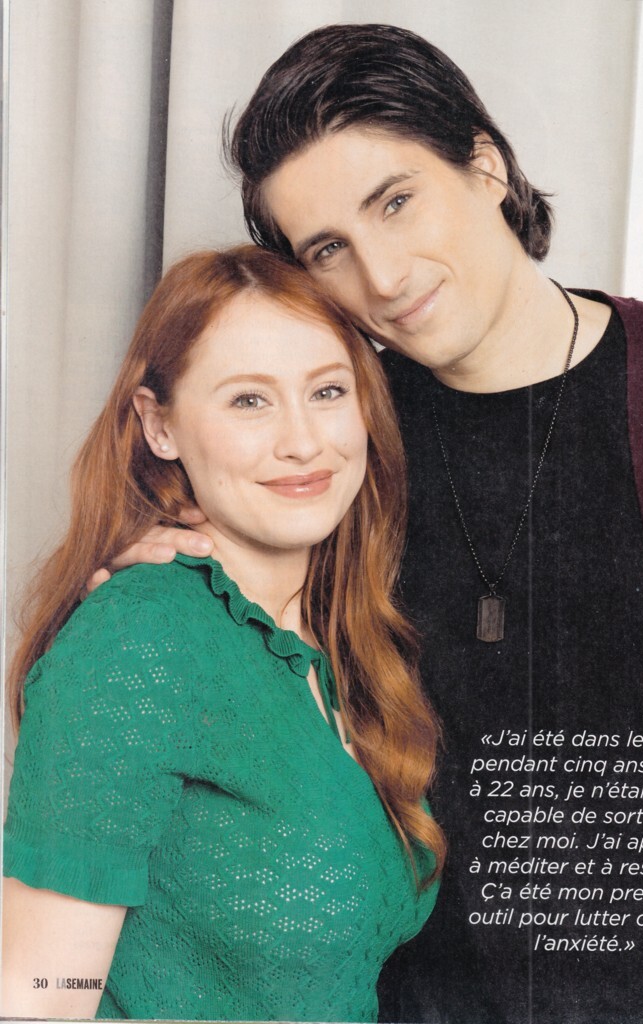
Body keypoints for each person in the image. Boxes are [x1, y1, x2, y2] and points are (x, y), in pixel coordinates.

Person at [92, 23, 643, 1024]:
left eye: (395, 201)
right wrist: (172, 580)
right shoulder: (325, 452)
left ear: (485, 167)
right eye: (329, 250)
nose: (385, 277)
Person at [2, 244, 445, 1022]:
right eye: (248, 400)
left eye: (327, 391)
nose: (303, 441)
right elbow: (38, 1000)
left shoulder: (335, 640)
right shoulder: (139, 636)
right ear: (159, 425)